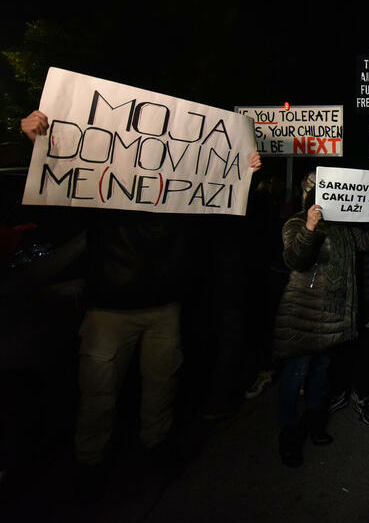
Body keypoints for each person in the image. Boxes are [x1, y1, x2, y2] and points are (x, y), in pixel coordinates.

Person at [20, 110, 261, 495]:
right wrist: (39, 143)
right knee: (98, 395)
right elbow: (62, 187)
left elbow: (219, 208)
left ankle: (155, 450)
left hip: (164, 308)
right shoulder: (105, 191)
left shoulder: (180, 197)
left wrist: (241, 173)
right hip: (109, 312)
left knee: (161, 386)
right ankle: (90, 463)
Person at [272, 172, 369, 467]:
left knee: (322, 370)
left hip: (335, 313)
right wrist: (310, 228)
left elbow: (362, 244)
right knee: (296, 373)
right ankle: (287, 434)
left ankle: (314, 424)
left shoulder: (341, 224)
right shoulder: (297, 222)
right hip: (305, 315)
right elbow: (295, 259)